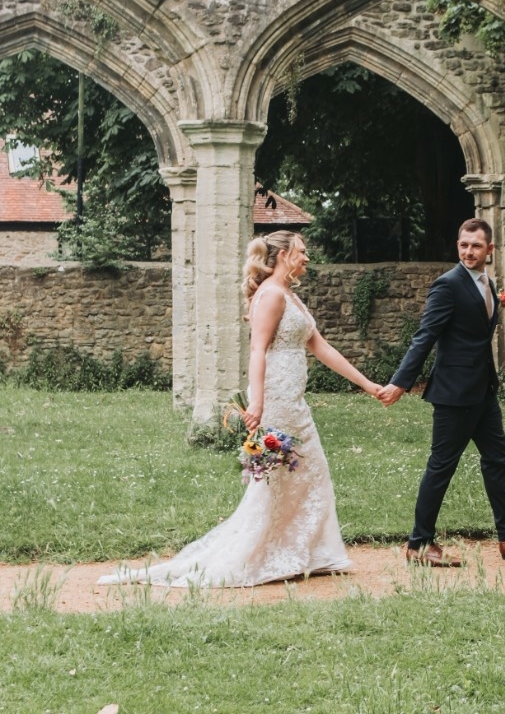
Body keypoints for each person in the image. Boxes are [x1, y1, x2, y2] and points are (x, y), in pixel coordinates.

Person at [98, 230, 382, 588]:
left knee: (311, 474)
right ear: (282, 256)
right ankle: (254, 556)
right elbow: (257, 350)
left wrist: (368, 385)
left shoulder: (291, 296)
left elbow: (321, 348)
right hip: (276, 399)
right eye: (301, 252)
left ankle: (306, 553)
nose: (307, 258)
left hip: (295, 401)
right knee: (274, 482)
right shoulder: (271, 295)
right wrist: (259, 404)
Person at [379, 217, 505, 567]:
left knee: (498, 458)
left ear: (490, 250)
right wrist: (401, 382)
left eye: (476, 246)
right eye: (463, 245)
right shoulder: (448, 285)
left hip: (483, 391)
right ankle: (419, 543)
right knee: (441, 466)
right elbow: (425, 336)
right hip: (454, 394)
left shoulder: (487, 282)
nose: (468, 251)